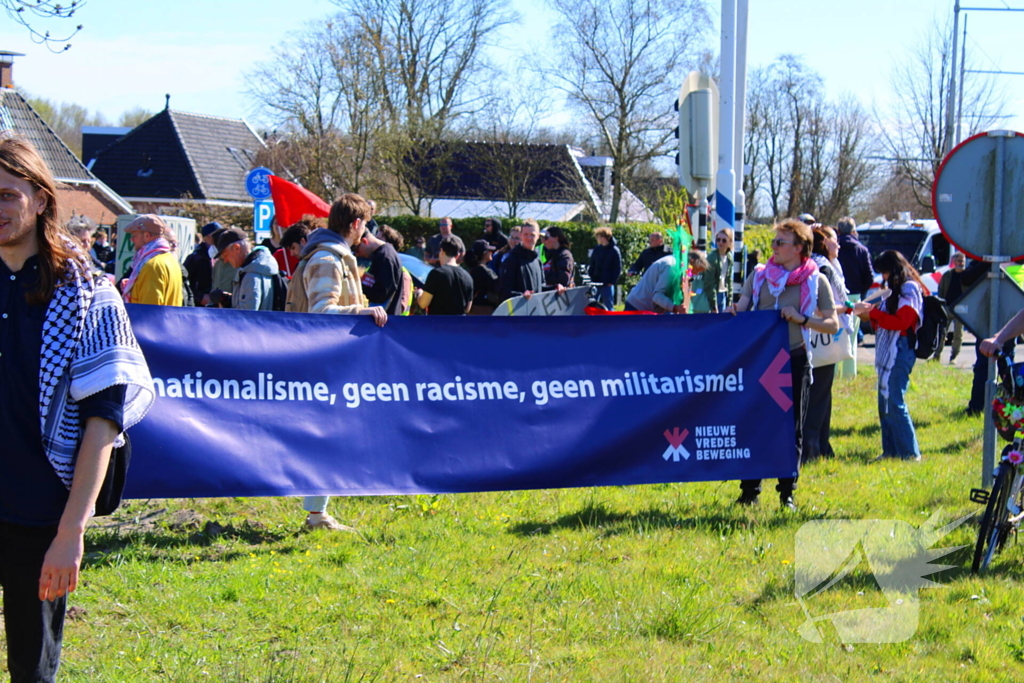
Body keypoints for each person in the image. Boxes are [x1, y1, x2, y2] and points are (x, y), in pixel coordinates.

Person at [0, 136, 155, 683]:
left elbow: (102, 425)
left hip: (39, 517)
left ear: (41, 199)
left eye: (6, 195)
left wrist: (72, 532)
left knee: (32, 670)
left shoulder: (89, 296)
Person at [290, 193, 387, 531]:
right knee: (325, 436)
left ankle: (318, 513)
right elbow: (321, 312)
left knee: (327, 437)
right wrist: (361, 310)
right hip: (323, 362)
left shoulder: (331, 255)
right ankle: (316, 516)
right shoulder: (328, 260)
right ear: (357, 224)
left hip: (329, 361)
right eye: (365, 226)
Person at [731, 218, 838, 509]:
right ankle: (749, 491)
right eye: (773, 241)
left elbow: (832, 323)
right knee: (754, 423)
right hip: (760, 361)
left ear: (800, 247)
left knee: (792, 428)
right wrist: (732, 312)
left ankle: (786, 492)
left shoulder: (817, 278)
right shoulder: (761, 275)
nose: (774, 247)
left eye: (781, 242)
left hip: (795, 358)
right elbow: (741, 308)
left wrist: (802, 318)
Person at [852, 250, 925, 461]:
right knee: (884, 403)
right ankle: (891, 451)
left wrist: (872, 314)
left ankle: (910, 454)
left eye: (884, 272)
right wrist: (871, 315)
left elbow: (903, 322)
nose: (882, 277)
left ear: (894, 270)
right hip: (890, 349)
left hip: (901, 350)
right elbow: (885, 320)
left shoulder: (909, 288)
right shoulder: (894, 289)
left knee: (894, 401)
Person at [808, 224, 851, 460]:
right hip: (821, 338)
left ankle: (822, 446)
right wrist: (848, 308)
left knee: (823, 394)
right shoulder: (822, 268)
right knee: (818, 395)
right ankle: (813, 449)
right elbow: (820, 306)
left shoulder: (830, 266)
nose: (839, 243)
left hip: (823, 338)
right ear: (824, 243)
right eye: (834, 239)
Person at [120, 214, 183, 306]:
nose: (132, 240)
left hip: (152, 320)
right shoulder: (170, 260)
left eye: (134, 235)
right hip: (169, 319)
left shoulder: (153, 266)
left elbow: (149, 311)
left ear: (147, 235)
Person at [215, 227, 279, 312]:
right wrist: (229, 300)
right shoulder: (259, 267)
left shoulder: (251, 274)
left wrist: (223, 312)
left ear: (236, 248)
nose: (225, 261)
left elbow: (246, 316)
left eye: (225, 255)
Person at [836, 216, 874, 350]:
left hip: (835, 298)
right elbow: (869, 277)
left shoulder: (832, 248)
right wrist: (860, 291)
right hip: (855, 296)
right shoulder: (861, 250)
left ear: (838, 231)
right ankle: (849, 370)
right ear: (853, 231)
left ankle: (834, 369)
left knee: (834, 336)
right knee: (851, 337)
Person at [354, 222, 403, 314]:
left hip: (384, 319)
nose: (357, 254)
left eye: (356, 249)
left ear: (364, 241)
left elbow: (381, 294)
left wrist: (357, 285)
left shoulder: (385, 257)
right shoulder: (382, 254)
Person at [417, 236, 473, 315]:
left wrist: (419, 293)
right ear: (458, 255)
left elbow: (423, 304)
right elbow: (467, 309)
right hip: (459, 325)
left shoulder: (436, 273)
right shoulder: (467, 276)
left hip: (439, 324)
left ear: (442, 251)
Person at [498, 220, 544, 301]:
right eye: (525, 234)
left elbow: (542, 288)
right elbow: (503, 291)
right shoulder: (511, 260)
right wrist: (522, 295)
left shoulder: (538, 261)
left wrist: (557, 288)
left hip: (536, 311)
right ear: (521, 235)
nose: (529, 238)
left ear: (538, 236)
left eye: (532, 235)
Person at [935, 252, 966, 363]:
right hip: (947, 307)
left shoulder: (967, 275)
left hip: (961, 308)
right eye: (959, 261)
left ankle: (954, 356)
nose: (961, 263)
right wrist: (940, 303)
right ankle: (936, 355)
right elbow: (941, 289)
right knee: (942, 332)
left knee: (958, 334)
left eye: (963, 261)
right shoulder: (948, 275)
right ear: (954, 262)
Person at [184, 222, 220, 305]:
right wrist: (200, 297)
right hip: (199, 307)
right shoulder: (195, 258)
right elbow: (184, 283)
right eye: (218, 235)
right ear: (208, 237)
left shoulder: (221, 255)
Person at [588, 226, 622, 310]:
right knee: (592, 304)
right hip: (596, 282)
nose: (597, 239)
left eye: (598, 237)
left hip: (607, 283)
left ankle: (611, 322)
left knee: (608, 304)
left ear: (603, 237)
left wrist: (612, 281)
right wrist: (591, 275)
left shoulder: (614, 250)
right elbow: (592, 263)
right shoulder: (597, 249)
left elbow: (617, 268)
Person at [703, 228, 734, 313]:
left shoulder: (729, 257)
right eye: (718, 240)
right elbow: (709, 282)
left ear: (730, 242)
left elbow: (729, 280)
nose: (720, 242)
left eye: (724, 240)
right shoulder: (712, 258)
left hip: (723, 293)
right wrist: (713, 304)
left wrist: (730, 300)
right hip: (713, 295)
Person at [466, 239, 500, 314]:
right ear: (484, 253)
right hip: (483, 310)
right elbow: (497, 287)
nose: (492, 252)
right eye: (489, 251)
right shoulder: (483, 271)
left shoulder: (472, 269)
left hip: (472, 309)